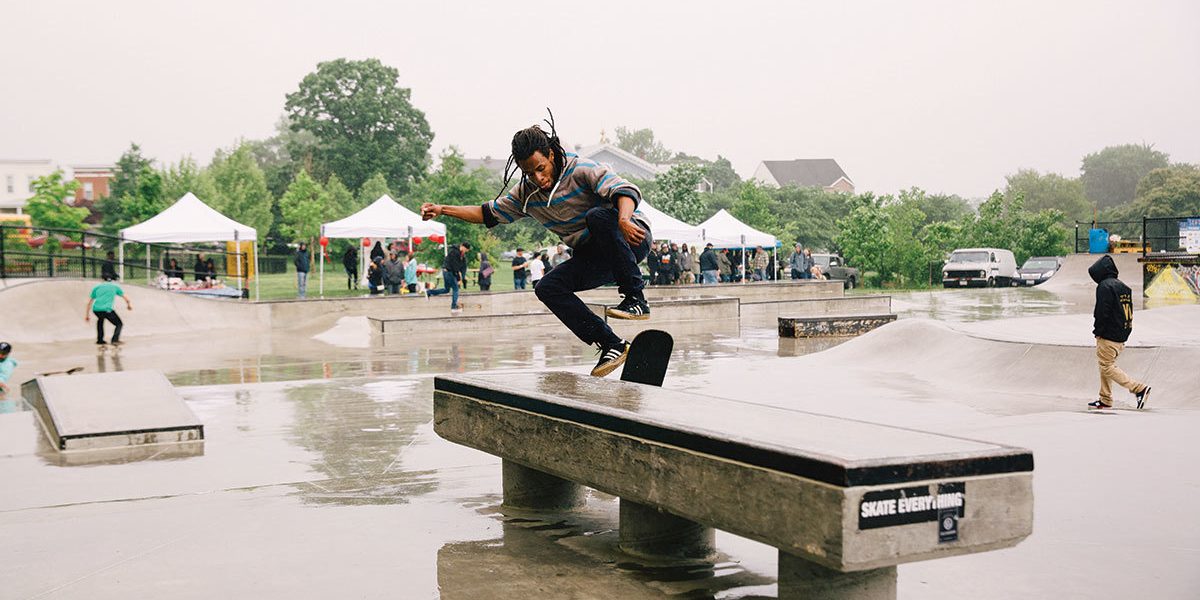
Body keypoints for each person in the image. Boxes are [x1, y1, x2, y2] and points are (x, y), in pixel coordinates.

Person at [420, 116, 652, 377]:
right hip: (594, 255)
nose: (538, 177)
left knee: (597, 217)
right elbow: (486, 213)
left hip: (630, 238)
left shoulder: (581, 169)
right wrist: (442, 210)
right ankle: (612, 343)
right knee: (548, 287)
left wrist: (623, 219)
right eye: (529, 172)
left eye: (541, 168)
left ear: (551, 154)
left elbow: (624, 190)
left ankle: (636, 299)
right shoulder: (525, 195)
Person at [1087, 255, 1151, 410]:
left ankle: (1138, 389)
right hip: (1122, 333)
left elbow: (1102, 311)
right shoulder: (1123, 287)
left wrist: (1098, 331)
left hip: (1108, 334)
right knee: (1105, 365)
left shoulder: (1104, 286)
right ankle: (1105, 399)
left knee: (1107, 366)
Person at [86, 274, 133, 345]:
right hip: (107, 309)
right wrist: (128, 305)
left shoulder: (97, 287)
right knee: (119, 324)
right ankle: (115, 340)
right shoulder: (115, 287)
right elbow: (126, 298)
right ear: (112, 280)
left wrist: (87, 315)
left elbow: (89, 302)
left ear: (103, 280)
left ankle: (100, 340)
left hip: (96, 309)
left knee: (100, 321)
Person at [428, 241, 468, 312]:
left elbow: (463, 268)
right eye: (464, 249)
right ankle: (454, 307)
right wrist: (458, 278)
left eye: (466, 251)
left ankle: (429, 292)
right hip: (448, 272)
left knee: (446, 290)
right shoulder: (454, 252)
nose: (464, 252)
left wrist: (464, 278)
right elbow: (454, 266)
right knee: (455, 289)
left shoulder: (462, 257)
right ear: (462, 246)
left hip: (449, 272)